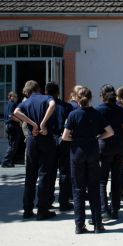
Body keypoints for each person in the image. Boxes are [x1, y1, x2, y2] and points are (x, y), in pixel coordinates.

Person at [62, 86, 114, 234]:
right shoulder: (97, 114)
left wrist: (76, 139)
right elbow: (110, 132)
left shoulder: (73, 115)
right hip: (92, 151)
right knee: (94, 188)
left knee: (78, 189)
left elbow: (65, 136)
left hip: (77, 153)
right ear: (90, 98)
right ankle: (98, 224)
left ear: (77, 98)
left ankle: (79, 225)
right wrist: (98, 137)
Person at [13, 80, 57, 220]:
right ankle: (42, 210)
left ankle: (27, 209)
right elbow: (53, 104)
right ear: (38, 88)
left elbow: (16, 112)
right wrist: (43, 123)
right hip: (45, 138)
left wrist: (33, 124)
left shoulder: (26, 102)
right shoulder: (46, 98)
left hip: (32, 139)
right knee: (44, 174)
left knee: (30, 175)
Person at [97, 85, 123, 220]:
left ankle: (104, 210)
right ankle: (115, 209)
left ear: (102, 96)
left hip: (104, 148)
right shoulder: (121, 110)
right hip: (119, 147)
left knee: (101, 180)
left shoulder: (98, 110)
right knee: (116, 179)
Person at [45, 81, 74, 211]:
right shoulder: (67, 106)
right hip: (63, 140)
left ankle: (48, 200)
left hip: (49, 140)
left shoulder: (44, 105)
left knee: (49, 172)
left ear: (46, 92)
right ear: (58, 92)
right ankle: (63, 201)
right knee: (64, 172)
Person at [1, 91, 22, 168]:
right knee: (13, 145)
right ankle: (5, 161)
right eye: (14, 96)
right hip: (12, 126)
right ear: (10, 97)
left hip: (8, 126)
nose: (16, 98)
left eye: (16, 96)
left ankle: (9, 161)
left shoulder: (6, 104)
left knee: (11, 144)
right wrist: (20, 121)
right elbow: (11, 116)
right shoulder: (12, 104)